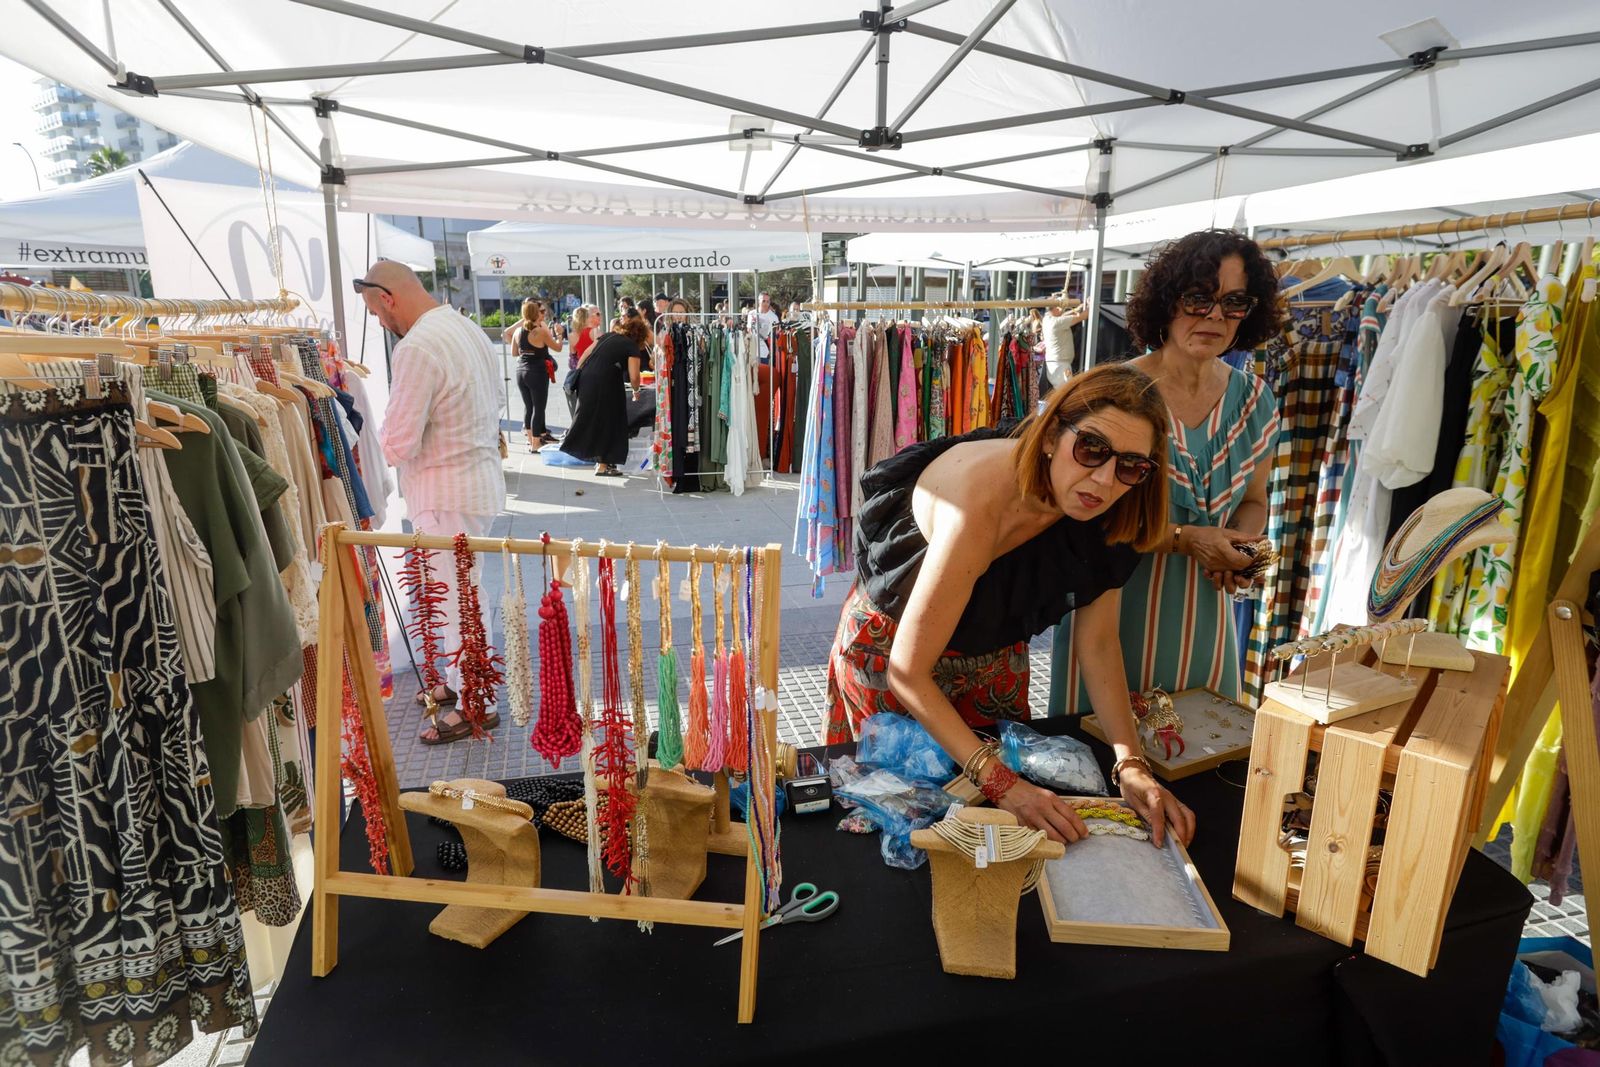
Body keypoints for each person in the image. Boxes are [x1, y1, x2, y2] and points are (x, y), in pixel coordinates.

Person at [825, 363, 1196, 847]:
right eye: (1091, 449)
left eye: (1130, 465)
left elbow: (1099, 642)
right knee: (898, 820)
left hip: (993, 656)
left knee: (997, 841)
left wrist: (1131, 765)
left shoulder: (1113, 508)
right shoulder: (982, 500)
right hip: (893, 647)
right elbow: (907, 671)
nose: (1104, 480)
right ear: (1050, 436)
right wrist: (1003, 784)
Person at [1050, 229, 1282, 716]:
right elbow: (1077, 513)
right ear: (1167, 302)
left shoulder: (1257, 401)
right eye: (1199, 298)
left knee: (1197, 754)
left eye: (1234, 302)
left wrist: (1235, 548)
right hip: (1111, 606)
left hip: (1205, 614)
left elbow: (1255, 499)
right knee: (1098, 763)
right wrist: (1185, 537)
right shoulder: (1114, 393)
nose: (1215, 316)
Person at [358, 260, 506, 743]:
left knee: (462, 598)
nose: (382, 324)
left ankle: (475, 703)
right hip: (470, 482)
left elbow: (398, 441)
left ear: (388, 298)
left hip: (446, 491)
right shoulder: (463, 327)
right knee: (461, 592)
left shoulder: (418, 346)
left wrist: (369, 441)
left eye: (377, 314)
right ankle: (467, 688)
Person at [561, 311, 649, 478]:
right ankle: (603, 465)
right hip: (607, 383)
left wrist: (579, 374)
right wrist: (637, 392)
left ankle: (601, 464)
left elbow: (585, 355)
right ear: (640, 336)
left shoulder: (608, 336)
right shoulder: (631, 346)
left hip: (587, 378)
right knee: (611, 421)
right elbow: (635, 376)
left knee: (596, 419)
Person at [501, 298, 564, 449]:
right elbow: (558, 348)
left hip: (521, 372)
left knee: (529, 407)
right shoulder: (540, 331)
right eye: (541, 311)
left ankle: (530, 440)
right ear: (536, 313)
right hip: (537, 372)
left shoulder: (518, 331)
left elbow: (515, 353)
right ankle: (536, 443)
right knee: (539, 407)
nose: (543, 314)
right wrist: (560, 335)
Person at [1039, 292, 1088, 391]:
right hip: (1060, 365)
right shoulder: (1057, 322)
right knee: (1067, 393)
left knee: (1063, 392)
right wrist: (1091, 305)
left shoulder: (1047, 319)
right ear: (1056, 308)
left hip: (1055, 363)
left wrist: (1076, 309)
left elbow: (1063, 315)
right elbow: (1083, 316)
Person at [747, 291, 779, 364]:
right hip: (753, 352)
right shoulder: (751, 314)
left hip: (766, 353)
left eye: (767, 301)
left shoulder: (774, 317)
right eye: (763, 301)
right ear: (759, 301)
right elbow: (749, 331)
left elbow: (776, 337)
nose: (765, 303)